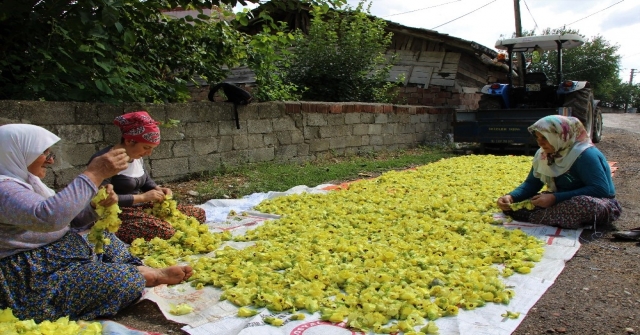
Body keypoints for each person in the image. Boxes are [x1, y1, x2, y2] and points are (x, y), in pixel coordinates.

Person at [0, 124, 193, 323]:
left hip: (60, 252)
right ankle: (139, 275)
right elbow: (48, 217)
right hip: (33, 273)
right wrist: (94, 174)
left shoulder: (30, 183)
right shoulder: (3, 188)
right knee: (124, 281)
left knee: (105, 237)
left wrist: (95, 207)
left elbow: (70, 221)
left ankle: (134, 269)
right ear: (15, 153)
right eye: (44, 154)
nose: (50, 161)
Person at [89, 111, 206, 244]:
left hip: (139, 207)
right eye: (146, 147)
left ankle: (157, 222)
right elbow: (100, 200)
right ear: (129, 141)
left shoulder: (136, 156)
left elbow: (145, 180)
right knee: (163, 230)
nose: (149, 153)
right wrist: (143, 198)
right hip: (117, 213)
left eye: (152, 149)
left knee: (197, 213)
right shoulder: (106, 160)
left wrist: (158, 189)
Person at [496, 115, 622, 229]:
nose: (540, 142)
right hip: (561, 200)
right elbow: (532, 184)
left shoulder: (585, 154)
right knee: (516, 205)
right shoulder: (544, 155)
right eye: (537, 137)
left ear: (561, 135)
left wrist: (555, 198)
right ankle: (555, 218)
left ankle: (543, 216)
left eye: (545, 138)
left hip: (597, 202)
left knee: (581, 205)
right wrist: (511, 196)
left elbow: (600, 190)